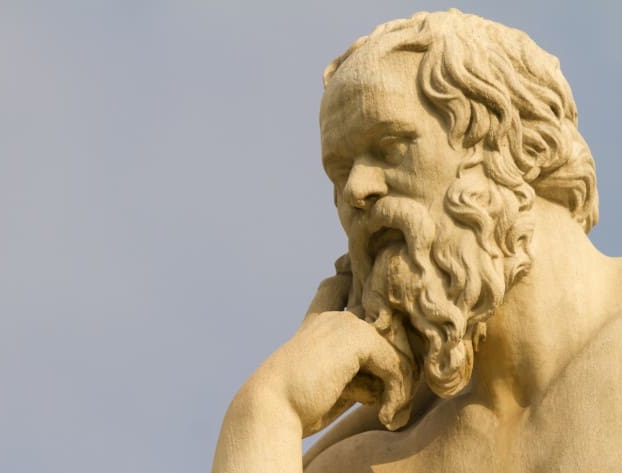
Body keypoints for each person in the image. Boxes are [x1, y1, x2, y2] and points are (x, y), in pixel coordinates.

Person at [212, 10, 622, 472]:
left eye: (390, 146)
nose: (356, 190)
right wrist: (268, 409)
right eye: (340, 173)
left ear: (509, 142)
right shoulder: (368, 459)